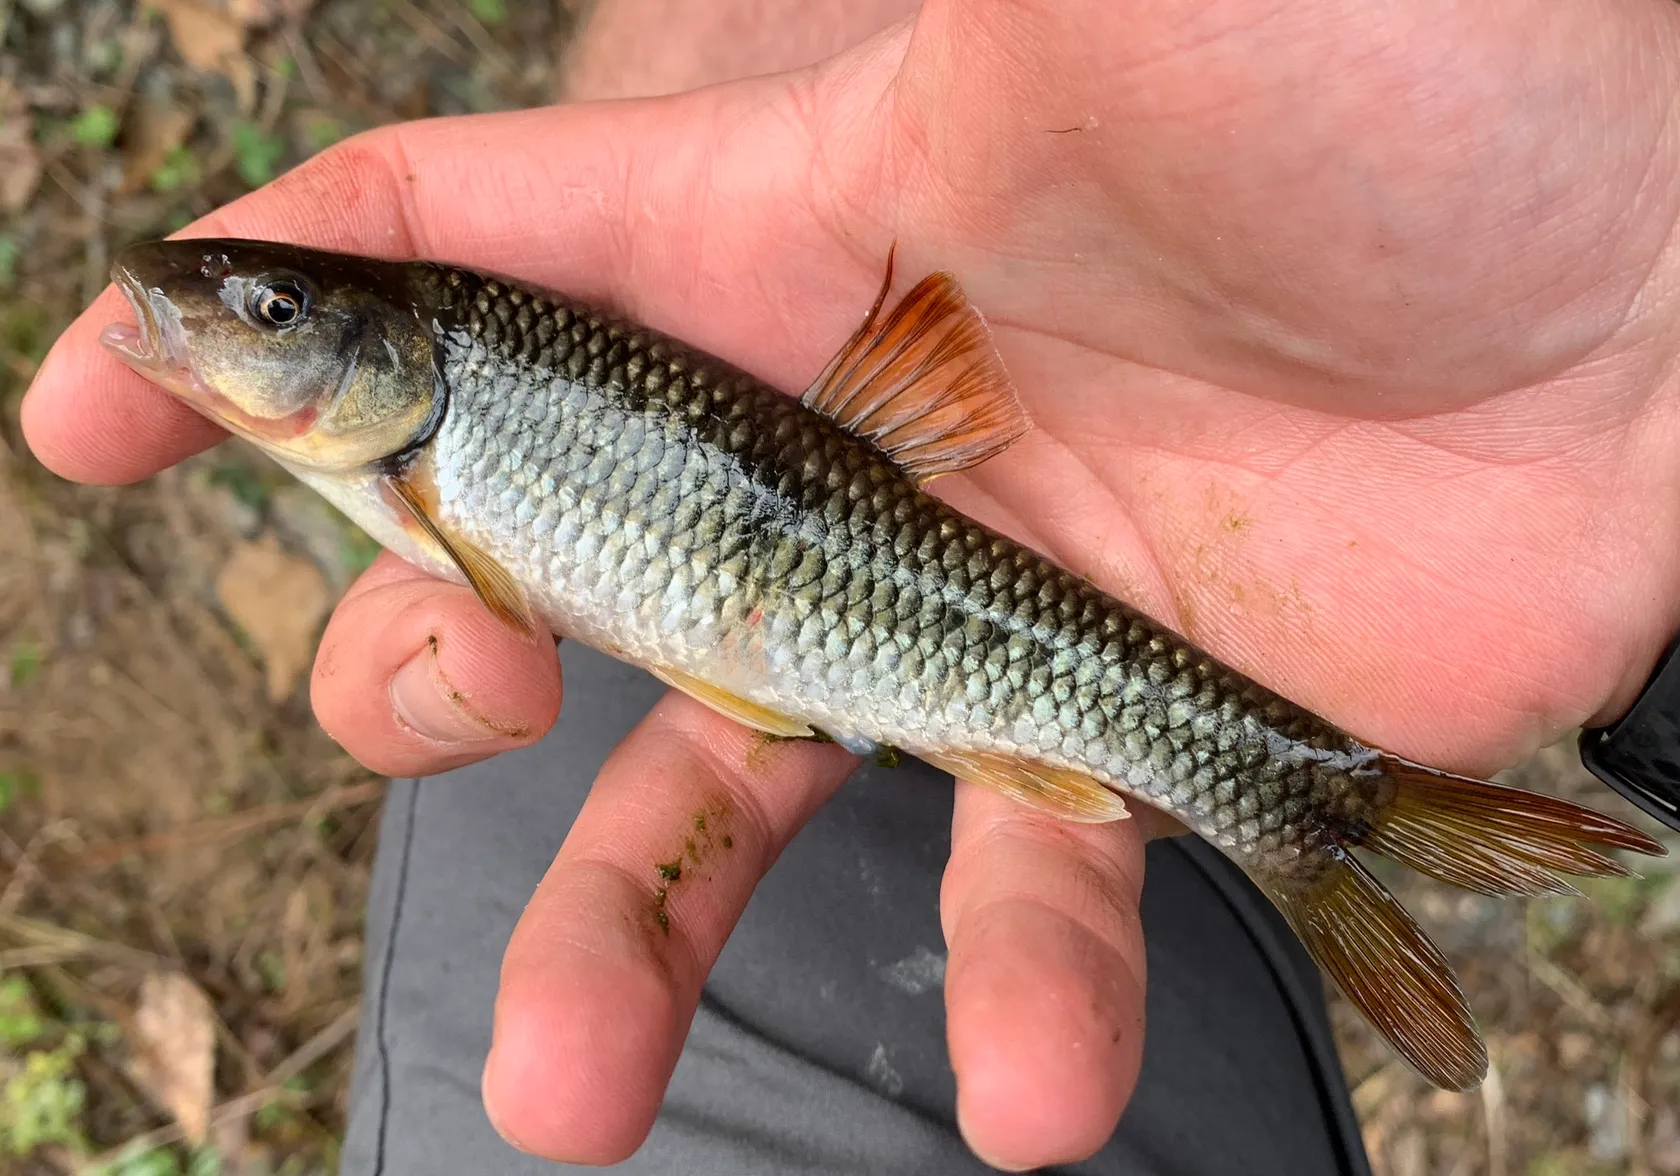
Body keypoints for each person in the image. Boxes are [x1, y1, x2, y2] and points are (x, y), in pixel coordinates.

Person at [22, 0, 1680, 1170]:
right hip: (823, 571)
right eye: (260, 311)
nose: (213, 317)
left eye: (270, 313)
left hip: (819, 580)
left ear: (380, 350)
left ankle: (1315, 808)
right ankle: (1315, 812)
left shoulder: (435, 444)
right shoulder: (416, 420)